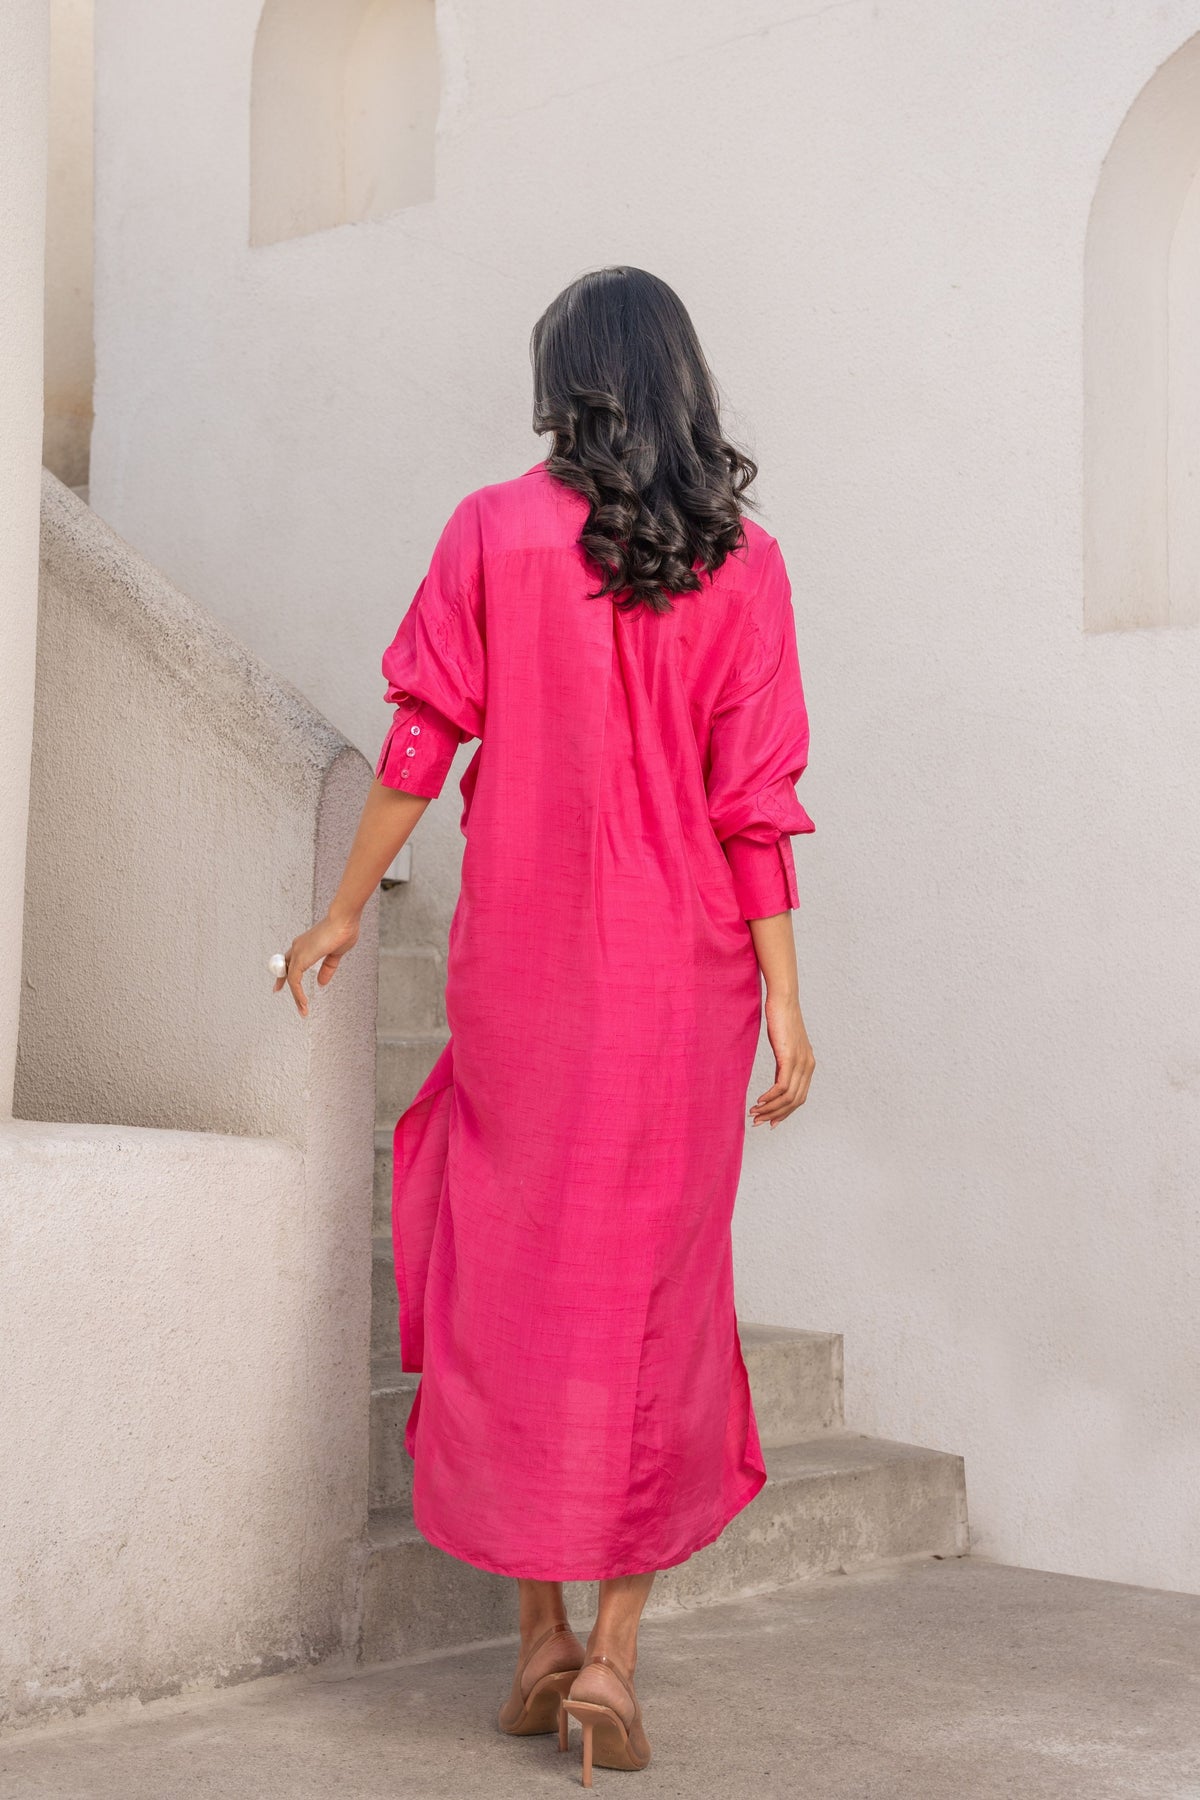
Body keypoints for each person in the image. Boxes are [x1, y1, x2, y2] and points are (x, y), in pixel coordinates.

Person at [276, 266, 816, 1786]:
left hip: (524, 971)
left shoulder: (493, 532)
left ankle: (534, 1646)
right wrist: (784, 1002)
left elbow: (420, 731)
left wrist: (344, 905)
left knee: (504, 1270)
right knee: (658, 1298)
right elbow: (757, 806)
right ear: (684, 380)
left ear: (562, 379)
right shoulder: (748, 564)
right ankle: (616, 1666)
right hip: (685, 986)